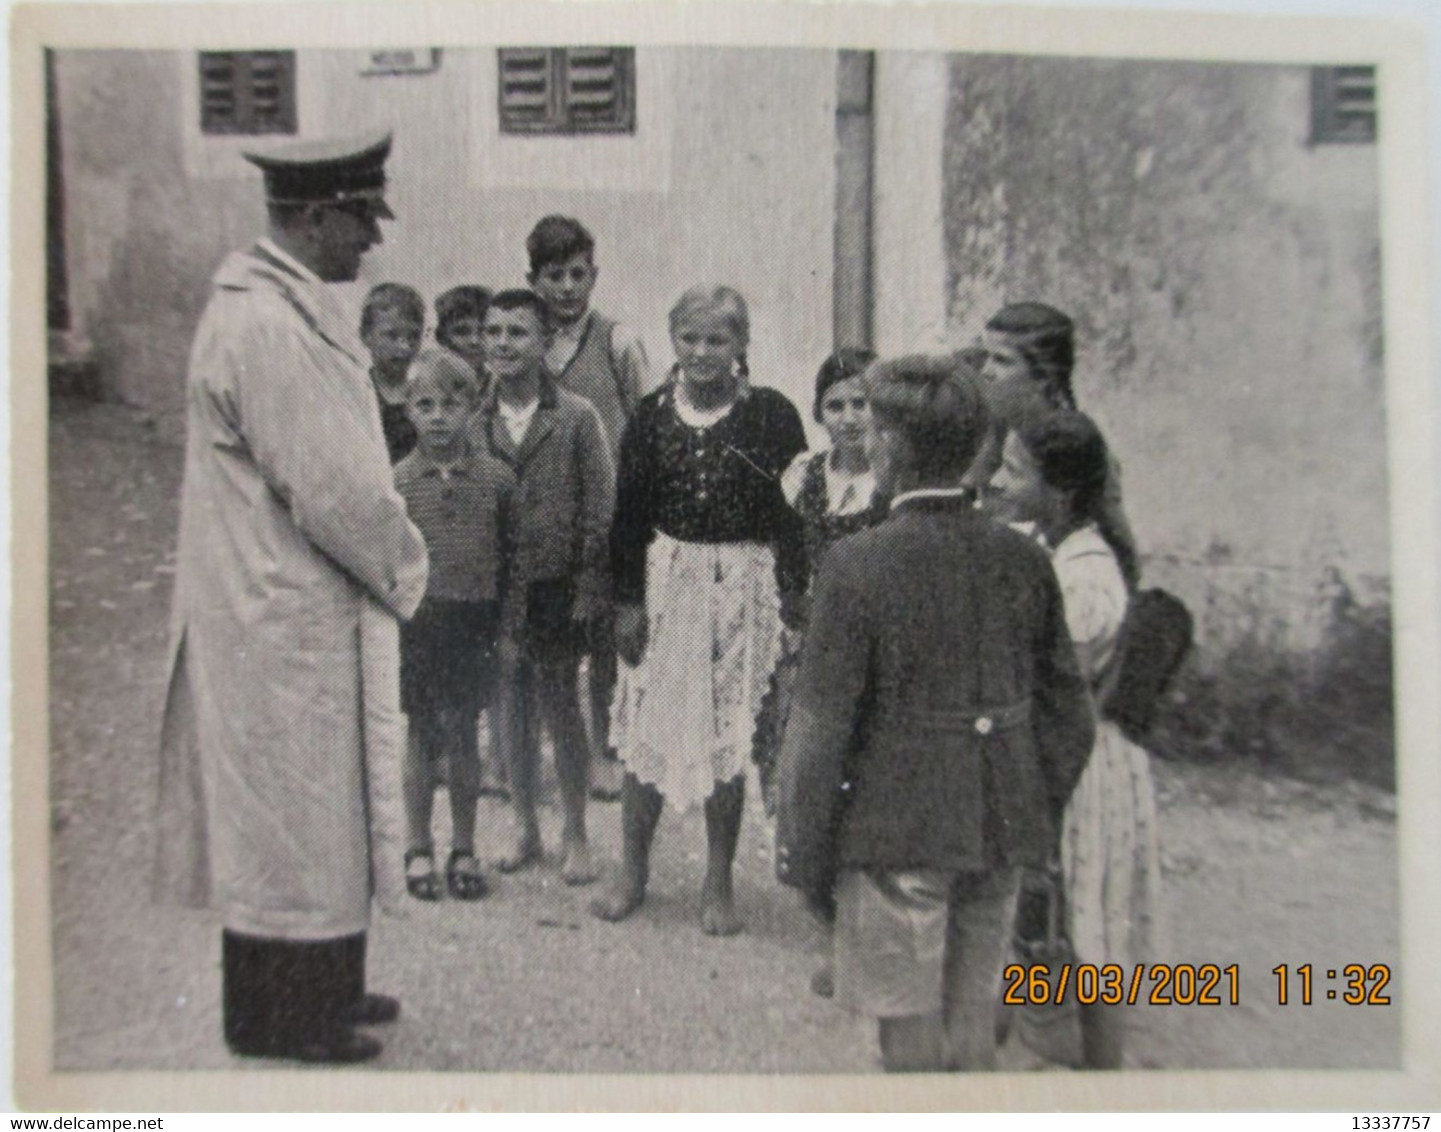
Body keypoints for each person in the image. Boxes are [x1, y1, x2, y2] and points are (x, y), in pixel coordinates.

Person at [153, 131, 428, 1064]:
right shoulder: (266, 323)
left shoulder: (281, 304)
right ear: (313, 217)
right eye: (360, 219)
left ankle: (329, 987)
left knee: (316, 810)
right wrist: (404, 567)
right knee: (290, 816)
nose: (370, 241)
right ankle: (282, 1019)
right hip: (277, 605)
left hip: (286, 598)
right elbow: (334, 488)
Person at [775, 354, 1094, 1072]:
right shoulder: (1023, 558)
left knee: (907, 1032)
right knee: (971, 1017)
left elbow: (818, 733)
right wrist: (1028, 801)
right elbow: (1068, 717)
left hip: (897, 830)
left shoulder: (856, 565)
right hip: (1000, 826)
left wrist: (804, 851)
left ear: (887, 446)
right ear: (978, 446)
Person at [593, 285, 809, 936]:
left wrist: (794, 592)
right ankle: (633, 870)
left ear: (741, 345)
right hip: (667, 580)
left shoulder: (771, 416)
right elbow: (626, 517)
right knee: (645, 729)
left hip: (742, 584)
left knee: (728, 729)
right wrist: (627, 600)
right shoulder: (652, 417)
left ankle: (718, 880)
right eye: (689, 338)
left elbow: (790, 514)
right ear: (672, 341)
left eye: (717, 339)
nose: (702, 352)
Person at [988, 409, 1163, 1070]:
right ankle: (1005, 1043)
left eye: (1013, 469)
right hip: (1053, 745)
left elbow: (1048, 675)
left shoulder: (1084, 575)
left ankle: (1099, 1074)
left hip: (1077, 759)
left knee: (1087, 923)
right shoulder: (1048, 544)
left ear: (1059, 491)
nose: (999, 480)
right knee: (1039, 909)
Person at [469, 290, 615, 885]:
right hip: (497, 591)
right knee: (511, 712)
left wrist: (588, 584)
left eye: (518, 333)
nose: (503, 344)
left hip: (558, 586)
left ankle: (575, 832)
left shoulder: (577, 417)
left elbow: (599, 507)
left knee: (561, 708)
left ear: (544, 342)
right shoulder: (475, 422)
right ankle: (524, 825)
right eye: (494, 332)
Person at [524, 215, 652, 802]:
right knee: (545, 638)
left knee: (603, 639)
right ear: (535, 279)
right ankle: (539, 751)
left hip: (607, 511)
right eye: (555, 276)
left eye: (578, 274)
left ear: (593, 274)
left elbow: (649, 425)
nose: (568, 287)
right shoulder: (525, 343)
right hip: (546, 515)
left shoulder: (617, 341)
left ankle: (604, 748)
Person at [395, 350, 517, 903]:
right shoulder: (395, 482)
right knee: (421, 733)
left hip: (474, 620)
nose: (438, 415)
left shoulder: (497, 480)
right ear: (408, 410)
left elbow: (515, 561)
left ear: (474, 407)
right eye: (425, 405)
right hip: (420, 623)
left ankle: (463, 846)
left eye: (451, 403)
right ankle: (417, 844)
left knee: (465, 732)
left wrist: (510, 630)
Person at [967, 301, 1140, 588]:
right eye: (985, 357)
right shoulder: (994, 431)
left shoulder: (1072, 445)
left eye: (1002, 360)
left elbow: (1120, 545)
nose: (986, 371)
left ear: (1044, 375)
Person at [360, 282, 425, 462]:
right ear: (366, 335)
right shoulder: (356, 392)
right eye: (392, 335)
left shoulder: (428, 396)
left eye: (413, 336)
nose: (404, 347)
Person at [434, 284, 493, 393]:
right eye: (462, 332)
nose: (474, 341)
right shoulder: (429, 387)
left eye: (482, 331)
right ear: (443, 337)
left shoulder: (501, 388)